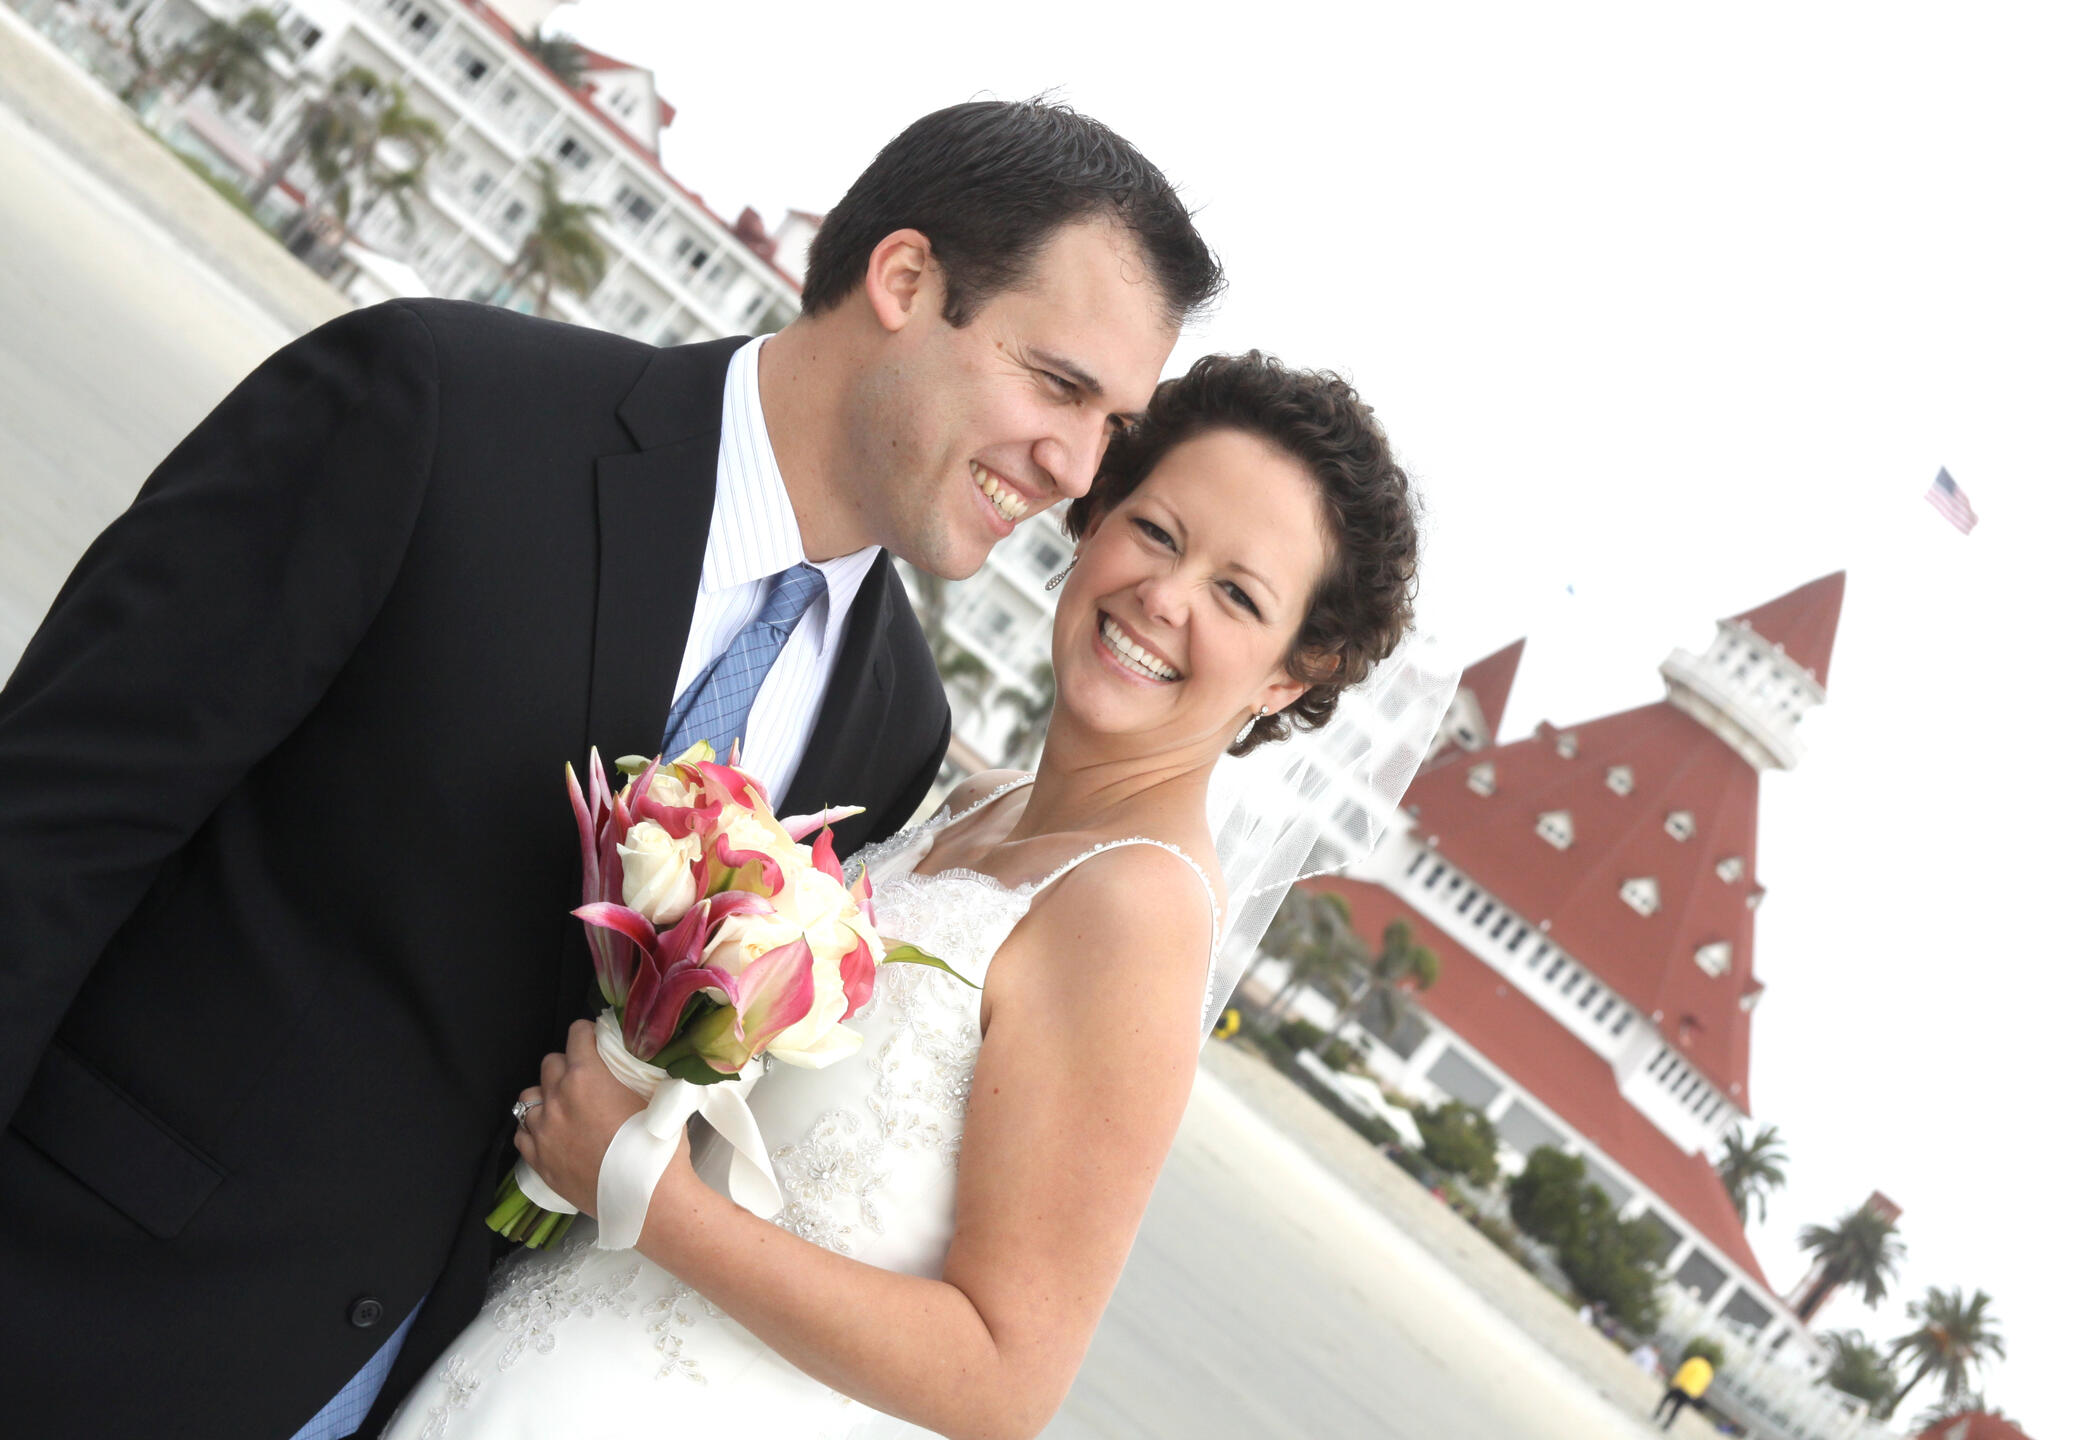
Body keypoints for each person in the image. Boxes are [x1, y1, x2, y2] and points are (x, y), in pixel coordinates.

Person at [0, 100, 1219, 1440]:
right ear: (906, 280)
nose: (1073, 469)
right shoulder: (437, 411)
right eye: (1057, 385)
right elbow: (52, 827)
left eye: (1113, 424)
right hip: (78, 1314)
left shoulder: (894, 724)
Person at [383, 351, 1427, 1438]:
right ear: (1094, 517)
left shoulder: (1135, 911)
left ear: (1286, 675)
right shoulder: (984, 800)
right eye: (1156, 531)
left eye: (1236, 594)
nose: (1164, 597)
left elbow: (1001, 1377)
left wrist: (644, 1195)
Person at [1655, 1351, 1717, 1429]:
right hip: (1690, 1392)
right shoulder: (1709, 1371)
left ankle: (1658, 1413)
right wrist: (1695, 1395)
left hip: (1680, 1385)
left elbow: (1683, 1370)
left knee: (1666, 1399)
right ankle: (1667, 1424)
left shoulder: (1695, 1361)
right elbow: (1704, 1385)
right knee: (1677, 1409)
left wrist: (1675, 1381)